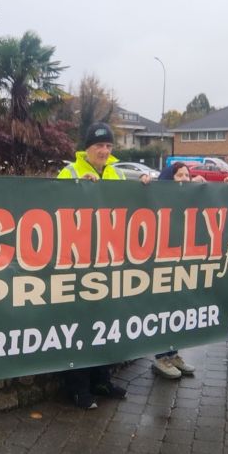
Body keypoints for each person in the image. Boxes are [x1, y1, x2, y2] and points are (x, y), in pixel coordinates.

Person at [57, 122, 145, 408]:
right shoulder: (70, 171)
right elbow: (50, 204)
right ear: (87, 148)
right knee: (81, 325)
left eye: (108, 146)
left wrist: (143, 187)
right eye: (99, 146)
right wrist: (78, 189)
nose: (104, 151)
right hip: (78, 261)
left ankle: (102, 380)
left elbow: (132, 205)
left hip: (109, 260)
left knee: (106, 323)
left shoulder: (116, 173)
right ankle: (78, 387)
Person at [151, 162, 203, 378]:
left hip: (183, 261)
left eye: (187, 175)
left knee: (177, 307)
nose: (184, 179)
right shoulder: (159, 197)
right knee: (163, 307)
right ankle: (160, 358)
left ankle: (173, 354)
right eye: (179, 175)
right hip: (162, 262)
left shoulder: (191, 196)